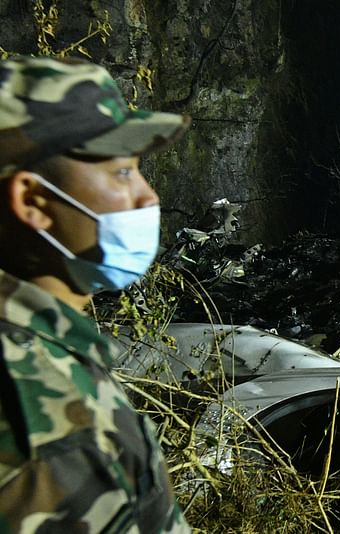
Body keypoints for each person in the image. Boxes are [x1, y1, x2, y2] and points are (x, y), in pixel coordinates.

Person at [0, 57, 192, 531]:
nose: (148, 197)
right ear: (32, 201)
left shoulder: (44, 349)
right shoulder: (51, 430)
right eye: (123, 173)